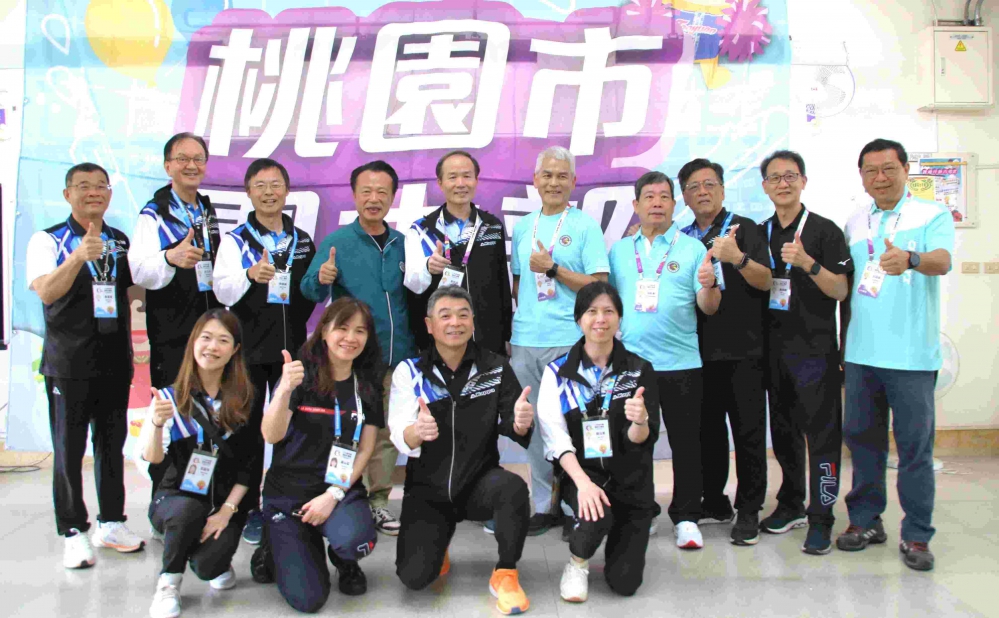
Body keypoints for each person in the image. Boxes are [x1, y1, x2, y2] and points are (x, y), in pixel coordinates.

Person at [837, 139, 954, 571]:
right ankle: (866, 521)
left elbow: (942, 261)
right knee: (862, 442)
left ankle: (917, 535)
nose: (880, 178)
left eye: (888, 168)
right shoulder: (855, 221)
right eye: (871, 170)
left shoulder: (931, 214)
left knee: (913, 449)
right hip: (861, 354)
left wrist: (911, 258)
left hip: (911, 357)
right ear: (862, 176)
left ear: (905, 169)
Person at [27, 162, 144, 569]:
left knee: (111, 447)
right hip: (68, 363)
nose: (93, 192)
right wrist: (78, 256)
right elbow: (46, 292)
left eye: (100, 186)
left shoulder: (119, 240)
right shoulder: (47, 240)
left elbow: (133, 293)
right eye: (83, 186)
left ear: (109, 194)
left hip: (113, 361)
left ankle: (111, 523)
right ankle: (73, 531)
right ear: (68, 194)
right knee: (69, 450)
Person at [389, 286, 534, 615]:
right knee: (414, 578)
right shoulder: (409, 371)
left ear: (473, 322)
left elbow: (514, 422)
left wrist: (522, 422)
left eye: (463, 315)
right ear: (429, 325)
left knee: (512, 489)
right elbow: (399, 432)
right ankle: (437, 544)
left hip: (478, 483)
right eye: (445, 316)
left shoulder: (495, 367)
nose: (455, 323)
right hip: (428, 491)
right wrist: (416, 431)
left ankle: (506, 574)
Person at [302, 160, 417, 536]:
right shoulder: (337, 242)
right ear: (353, 195)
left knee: (384, 432)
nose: (374, 198)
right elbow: (309, 290)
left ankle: (378, 501)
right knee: (348, 429)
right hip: (353, 358)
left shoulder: (404, 243)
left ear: (393, 197)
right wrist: (321, 277)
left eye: (382, 191)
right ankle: (341, 497)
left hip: (398, 356)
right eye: (366, 191)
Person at [608, 172, 722, 547]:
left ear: (674, 204)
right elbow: (611, 305)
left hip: (681, 363)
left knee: (687, 444)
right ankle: (642, 510)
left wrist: (709, 285)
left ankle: (686, 515)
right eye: (649, 196)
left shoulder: (692, 249)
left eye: (663, 196)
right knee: (633, 443)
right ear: (636, 205)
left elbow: (709, 307)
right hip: (632, 366)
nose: (656, 202)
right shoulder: (619, 251)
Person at [253, 298, 383, 612]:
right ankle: (276, 543)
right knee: (309, 600)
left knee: (357, 541)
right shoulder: (299, 377)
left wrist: (334, 494)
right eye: (342, 328)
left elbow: (366, 448)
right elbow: (271, 435)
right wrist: (283, 390)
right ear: (324, 331)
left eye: (360, 331)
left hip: (338, 490)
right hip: (288, 495)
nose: (350, 338)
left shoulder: (367, 387)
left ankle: (344, 559)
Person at [212, 158, 318, 541]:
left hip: (293, 351)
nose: (269, 192)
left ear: (287, 190)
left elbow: (309, 292)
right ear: (249, 192)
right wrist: (249, 274)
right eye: (260, 185)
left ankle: (284, 501)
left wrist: (322, 280)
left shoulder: (302, 240)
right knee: (248, 432)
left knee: (292, 428)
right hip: (250, 352)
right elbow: (221, 289)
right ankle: (247, 509)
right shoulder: (236, 240)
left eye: (275, 184)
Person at [536, 281, 660, 602]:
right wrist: (583, 484)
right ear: (579, 319)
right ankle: (577, 563)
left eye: (609, 311)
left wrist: (640, 421)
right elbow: (555, 438)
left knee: (625, 583)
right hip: (584, 474)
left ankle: (617, 530)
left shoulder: (639, 370)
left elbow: (641, 439)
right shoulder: (557, 372)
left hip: (632, 482)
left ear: (619, 318)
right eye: (592, 311)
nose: (600, 319)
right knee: (595, 510)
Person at [509, 146, 610, 535]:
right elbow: (519, 284)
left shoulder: (585, 226)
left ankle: (577, 505)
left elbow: (599, 286)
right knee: (535, 426)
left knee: (576, 424)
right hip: (525, 341)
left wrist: (553, 268)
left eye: (562, 176)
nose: (554, 182)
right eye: (547, 175)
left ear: (574, 182)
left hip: (569, 340)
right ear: (535, 180)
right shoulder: (524, 226)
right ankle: (543, 505)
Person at [756, 150, 853, 555]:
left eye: (790, 176)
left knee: (823, 438)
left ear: (803, 181)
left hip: (815, 351)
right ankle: (792, 503)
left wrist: (808, 263)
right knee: (784, 435)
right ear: (765, 186)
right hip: (772, 351)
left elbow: (841, 289)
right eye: (775, 177)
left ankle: (822, 517)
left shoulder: (825, 231)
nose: (783, 183)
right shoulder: (759, 232)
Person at [677, 158, 772, 549]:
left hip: (743, 350)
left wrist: (737, 257)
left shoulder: (744, 229)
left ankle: (749, 508)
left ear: (722, 188)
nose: (703, 191)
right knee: (708, 434)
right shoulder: (681, 238)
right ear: (684, 196)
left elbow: (767, 280)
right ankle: (714, 501)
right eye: (694, 186)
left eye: (710, 184)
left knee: (748, 434)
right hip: (697, 352)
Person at [140, 309, 258, 618]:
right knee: (187, 511)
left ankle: (208, 554)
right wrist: (156, 423)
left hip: (222, 504)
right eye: (206, 338)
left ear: (234, 350)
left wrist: (226, 512)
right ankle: (168, 583)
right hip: (174, 499)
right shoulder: (169, 398)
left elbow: (249, 467)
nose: (212, 347)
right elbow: (153, 458)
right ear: (193, 342)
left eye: (223, 340)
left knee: (209, 568)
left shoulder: (245, 399)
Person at [130, 132, 222, 500]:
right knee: (170, 413)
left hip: (209, 331)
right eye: (182, 159)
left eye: (198, 159)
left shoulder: (206, 209)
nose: (191, 165)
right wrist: (170, 257)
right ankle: (165, 499)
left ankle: (205, 495)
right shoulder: (154, 214)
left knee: (207, 414)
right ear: (168, 166)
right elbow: (138, 271)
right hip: (172, 333)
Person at [404, 150, 512, 355]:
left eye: (467, 176)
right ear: (440, 183)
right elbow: (412, 283)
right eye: (452, 177)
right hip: (440, 341)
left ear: (476, 180)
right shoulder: (421, 230)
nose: (460, 183)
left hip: (487, 337)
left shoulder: (491, 225)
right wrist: (428, 267)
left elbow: (502, 285)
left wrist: (506, 334)